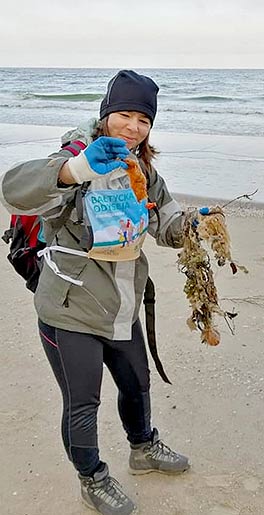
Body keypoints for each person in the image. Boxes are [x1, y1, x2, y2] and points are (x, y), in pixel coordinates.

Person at [0, 70, 190, 515]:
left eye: (143, 119)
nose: (132, 126)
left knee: (137, 384)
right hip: (70, 307)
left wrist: (194, 228)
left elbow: (165, 223)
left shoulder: (143, 168)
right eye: (124, 114)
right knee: (83, 402)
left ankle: (143, 449)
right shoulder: (75, 159)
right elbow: (13, 191)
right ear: (106, 115)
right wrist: (76, 169)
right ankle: (93, 479)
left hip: (122, 304)